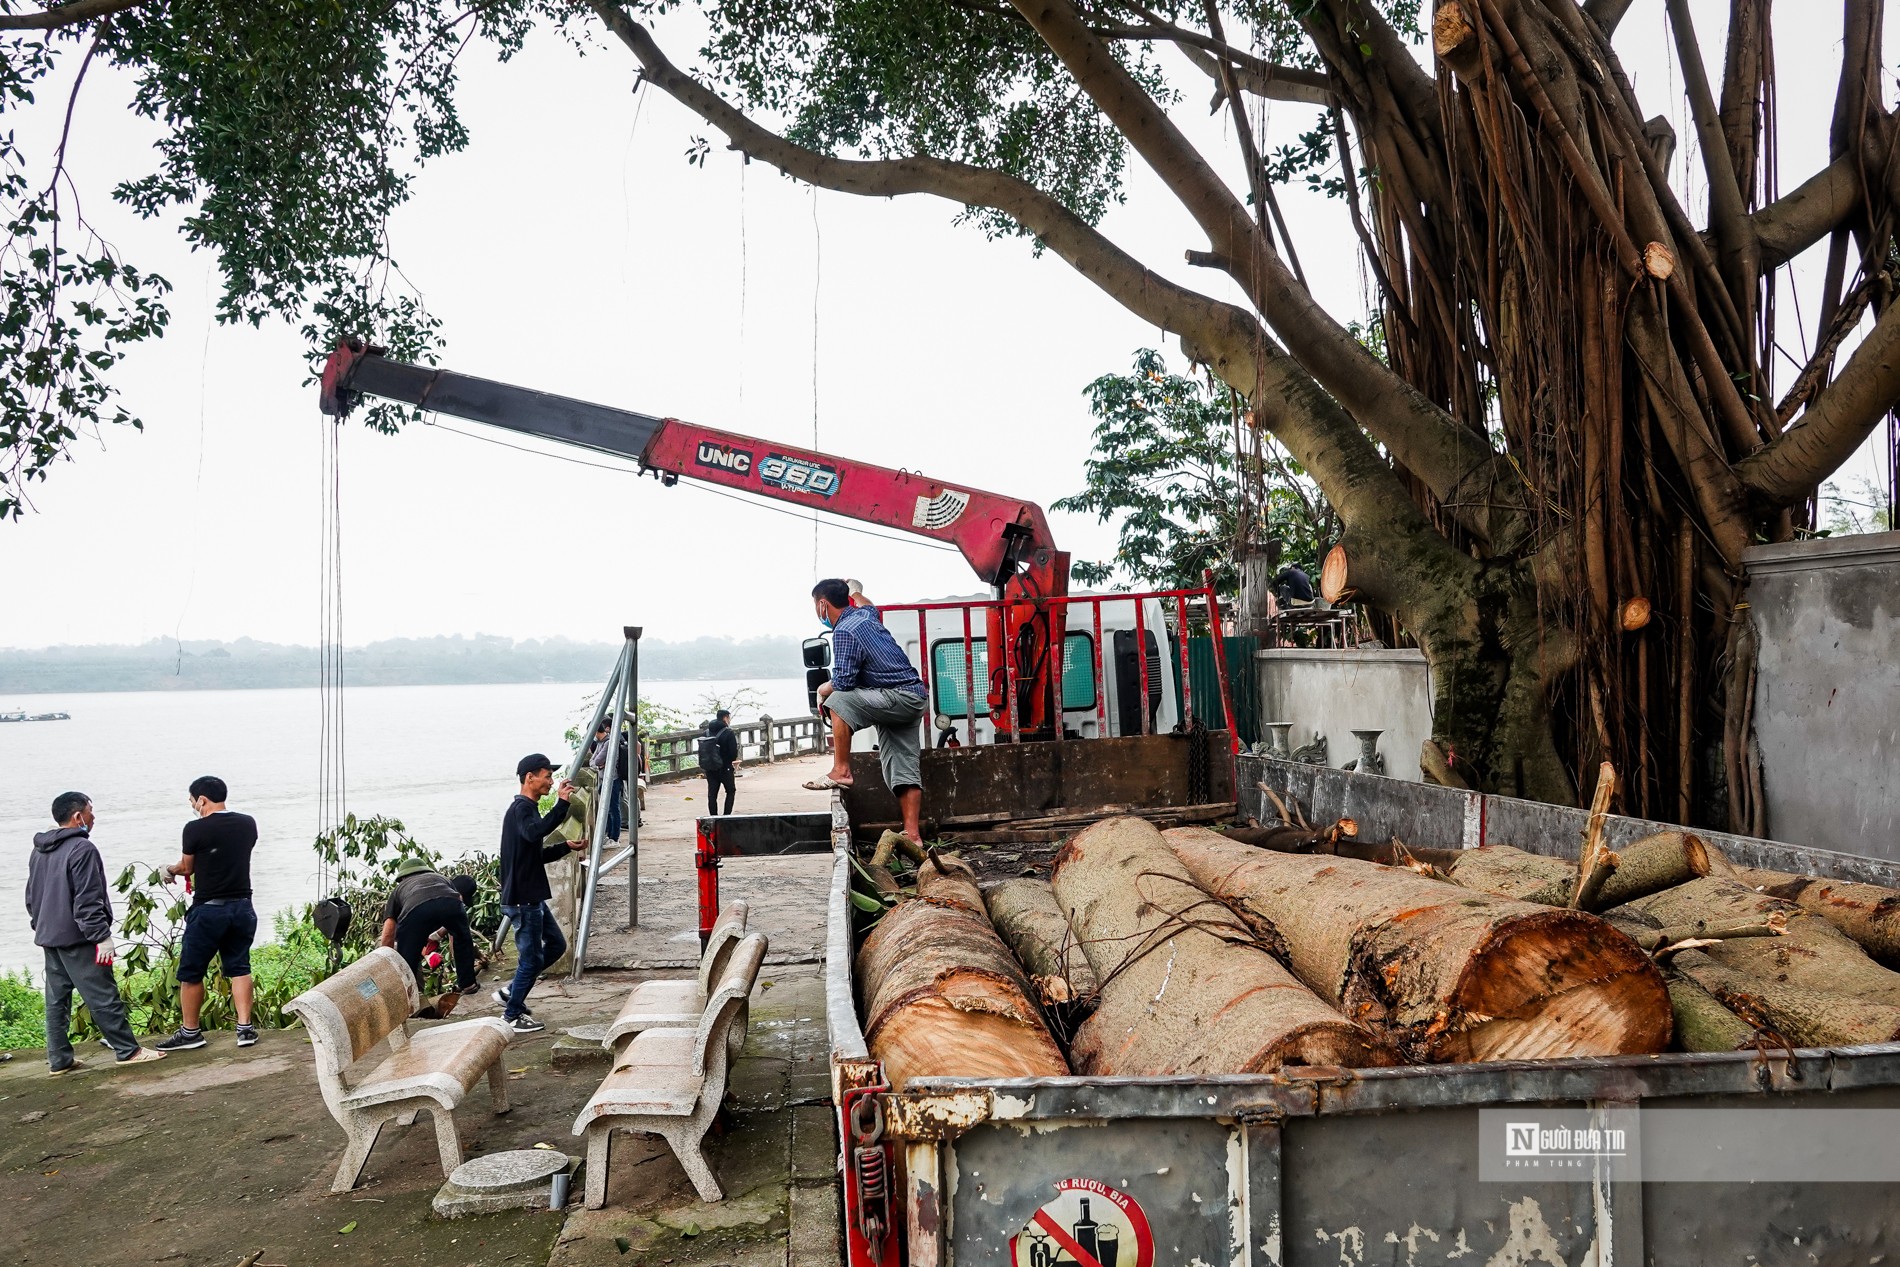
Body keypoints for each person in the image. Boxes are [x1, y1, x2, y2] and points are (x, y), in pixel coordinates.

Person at [26, 792, 166, 1073]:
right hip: (79, 938)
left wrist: (39, 923)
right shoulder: (82, 849)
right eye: (91, 811)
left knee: (56, 1000)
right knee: (103, 995)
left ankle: (60, 1060)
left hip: (49, 936)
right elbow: (88, 899)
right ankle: (128, 1051)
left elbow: (31, 895)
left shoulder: (39, 850)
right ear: (78, 817)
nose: (93, 817)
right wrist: (101, 937)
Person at [804, 577, 927, 842]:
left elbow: (844, 683)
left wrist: (822, 689)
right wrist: (857, 590)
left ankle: (841, 770)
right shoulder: (866, 615)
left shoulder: (844, 630)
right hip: (913, 697)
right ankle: (913, 835)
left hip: (897, 697)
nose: (817, 611)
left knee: (836, 701)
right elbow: (867, 603)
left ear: (823, 605)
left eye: (815, 605)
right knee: (903, 767)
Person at [154, 776, 260, 1052]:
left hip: (209, 910)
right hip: (242, 907)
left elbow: (187, 867)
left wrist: (169, 870)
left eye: (192, 800)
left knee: (191, 972)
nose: (192, 805)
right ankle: (245, 1029)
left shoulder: (194, 829)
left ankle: (190, 1032)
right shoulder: (247, 823)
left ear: (201, 799)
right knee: (239, 967)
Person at [496, 754, 583, 1034]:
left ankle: (513, 990)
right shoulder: (521, 808)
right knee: (531, 960)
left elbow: (534, 853)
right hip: (523, 900)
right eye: (547, 776)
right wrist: (561, 805)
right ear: (529, 777)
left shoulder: (527, 808)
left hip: (531, 896)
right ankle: (511, 1015)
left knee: (557, 946)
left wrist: (565, 846)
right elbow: (534, 834)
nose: (551, 781)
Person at [378, 858, 480, 999]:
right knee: (462, 938)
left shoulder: (398, 889)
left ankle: (408, 997)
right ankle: (468, 984)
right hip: (451, 903)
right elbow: (453, 908)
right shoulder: (442, 878)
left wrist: (386, 962)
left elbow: (388, 933)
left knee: (408, 956)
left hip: (415, 910)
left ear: (403, 877)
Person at [698, 709, 740, 815]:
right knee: (730, 791)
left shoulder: (706, 733)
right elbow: (733, 753)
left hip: (710, 768)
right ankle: (726, 817)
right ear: (725, 718)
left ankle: (713, 818)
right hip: (725, 768)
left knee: (712, 795)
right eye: (728, 718)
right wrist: (731, 761)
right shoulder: (728, 732)